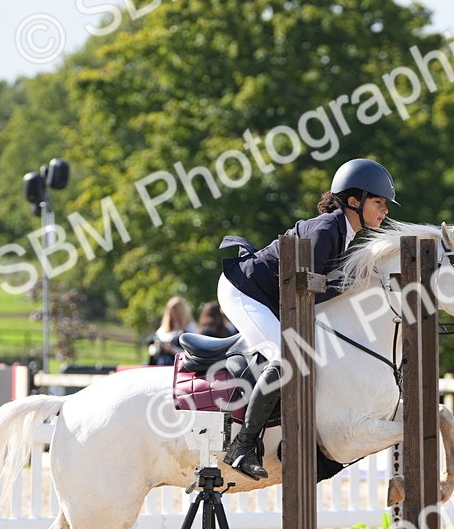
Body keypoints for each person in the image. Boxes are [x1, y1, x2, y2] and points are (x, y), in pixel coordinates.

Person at [217, 158, 397, 479]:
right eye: (379, 202)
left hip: (273, 296)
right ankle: (242, 446)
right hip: (244, 292)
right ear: (354, 201)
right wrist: (351, 281)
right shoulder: (328, 229)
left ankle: (290, 439)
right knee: (287, 357)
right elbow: (304, 289)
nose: (385, 210)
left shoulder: (342, 233)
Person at [146, 296, 196, 366]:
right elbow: (152, 349)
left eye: (176, 314)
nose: (173, 316)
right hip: (160, 364)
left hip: (177, 366)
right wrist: (157, 347)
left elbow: (193, 354)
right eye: (171, 314)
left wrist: (172, 349)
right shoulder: (163, 329)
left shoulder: (190, 329)